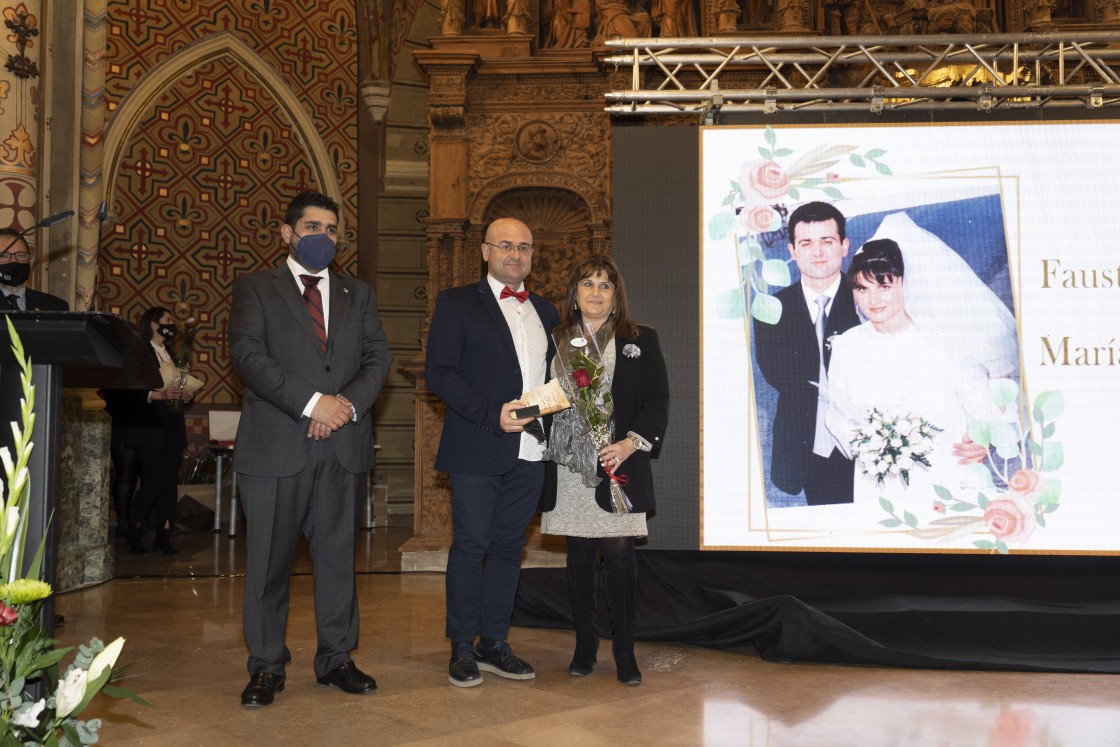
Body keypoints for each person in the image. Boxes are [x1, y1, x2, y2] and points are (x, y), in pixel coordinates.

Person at [230, 191, 392, 708]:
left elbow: (377, 358)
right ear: (287, 233)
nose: (322, 237)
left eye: (330, 229)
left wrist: (342, 405)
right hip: (276, 447)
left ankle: (337, 659)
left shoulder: (357, 293)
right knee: (269, 566)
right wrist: (312, 404)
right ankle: (266, 665)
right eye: (311, 227)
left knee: (338, 562)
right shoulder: (256, 288)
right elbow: (248, 357)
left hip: (342, 447)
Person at [425, 217, 559, 688]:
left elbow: (557, 379)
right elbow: (439, 372)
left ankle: (494, 643)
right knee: (471, 545)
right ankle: (462, 646)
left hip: (531, 449)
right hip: (478, 445)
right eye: (506, 246)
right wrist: (490, 413)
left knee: (508, 547)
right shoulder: (457, 302)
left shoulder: (546, 310)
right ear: (485, 251)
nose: (516, 255)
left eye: (524, 247)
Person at [541, 256, 669, 686]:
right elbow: (550, 397)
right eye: (587, 284)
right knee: (578, 554)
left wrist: (630, 444)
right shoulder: (559, 339)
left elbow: (657, 400)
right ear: (574, 294)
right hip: (572, 466)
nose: (596, 292)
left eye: (605, 285)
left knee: (619, 553)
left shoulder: (639, 338)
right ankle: (584, 644)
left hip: (620, 463)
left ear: (616, 296)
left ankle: (624, 649)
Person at [825, 239, 992, 511]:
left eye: (884, 286)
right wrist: (869, 445)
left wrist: (983, 439)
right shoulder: (846, 345)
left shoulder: (943, 338)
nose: (873, 300)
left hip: (944, 472)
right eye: (862, 289)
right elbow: (837, 413)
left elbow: (982, 405)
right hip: (879, 479)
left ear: (904, 283)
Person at [753, 201, 861, 506]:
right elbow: (777, 373)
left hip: (864, 440)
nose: (818, 252)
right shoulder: (770, 308)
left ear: (844, 245)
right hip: (805, 442)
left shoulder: (866, 301)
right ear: (792, 251)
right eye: (806, 242)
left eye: (827, 241)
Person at [114, 307, 194, 555]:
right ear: (153, 324)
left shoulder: (172, 355)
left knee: (170, 483)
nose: (172, 324)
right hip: (149, 426)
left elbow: (178, 390)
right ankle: (133, 529)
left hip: (171, 426)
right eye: (168, 320)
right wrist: (158, 394)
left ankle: (163, 533)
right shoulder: (140, 352)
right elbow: (128, 389)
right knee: (153, 481)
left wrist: (186, 394)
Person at [0, 228, 69, 311]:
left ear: (29, 259)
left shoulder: (56, 306)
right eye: (4, 256)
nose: (14, 261)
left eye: (21, 255)